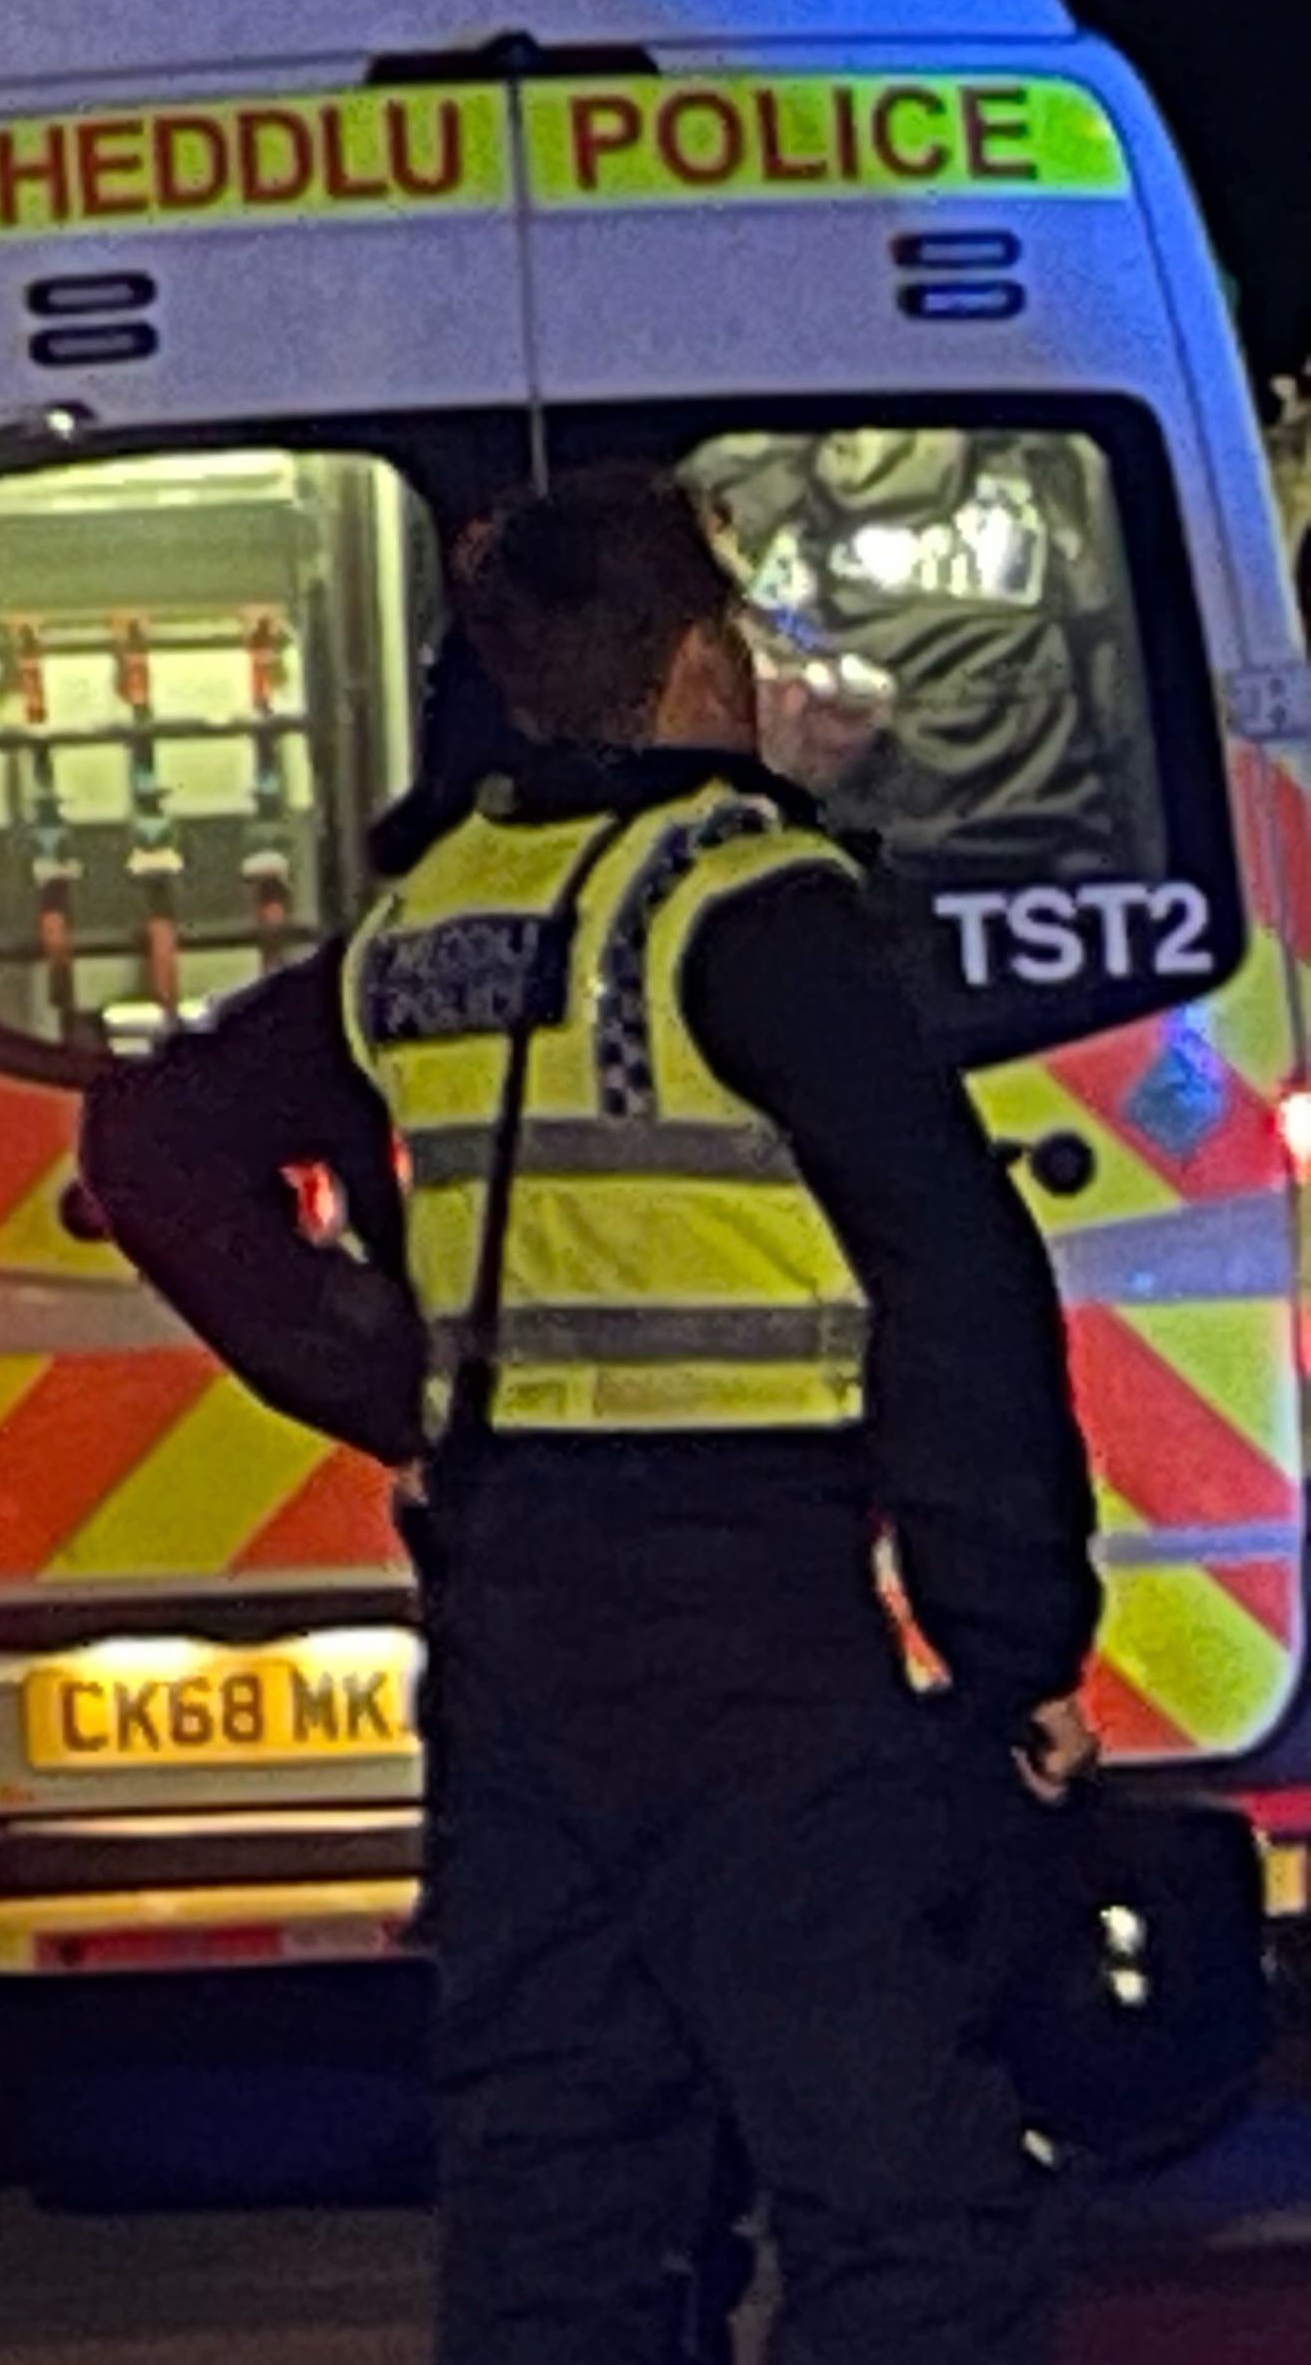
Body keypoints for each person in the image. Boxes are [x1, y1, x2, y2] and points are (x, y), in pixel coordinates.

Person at [79, 466, 1097, 2365]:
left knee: (564, 2207)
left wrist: (384, 1373)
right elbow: (953, 1270)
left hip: (514, 1633)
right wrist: (1011, 1637)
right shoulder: (758, 908)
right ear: (703, 659)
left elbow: (154, 1140)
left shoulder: (429, 920)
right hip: (748, 1645)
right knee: (912, 2208)